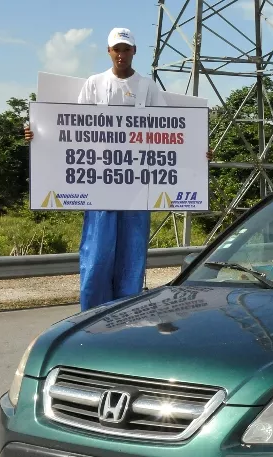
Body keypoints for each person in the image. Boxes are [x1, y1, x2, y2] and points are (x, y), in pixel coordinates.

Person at [25, 27, 212, 311]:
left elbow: (170, 132)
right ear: (109, 51)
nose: (121, 55)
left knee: (131, 255)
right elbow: (72, 128)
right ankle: (92, 316)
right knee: (98, 254)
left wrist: (197, 154)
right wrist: (35, 134)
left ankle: (126, 315)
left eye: (126, 49)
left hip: (137, 186)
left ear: (134, 51)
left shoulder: (147, 87)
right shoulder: (95, 83)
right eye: (117, 49)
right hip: (101, 185)